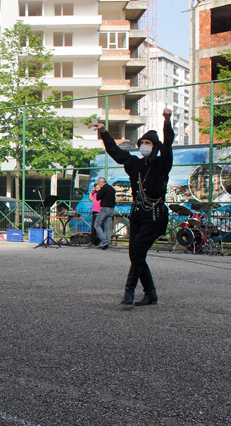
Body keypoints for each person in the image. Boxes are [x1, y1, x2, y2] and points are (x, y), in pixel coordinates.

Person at [89, 108, 173, 306]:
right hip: (137, 215)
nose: (144, 146)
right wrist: (104, 132)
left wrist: (167, 122)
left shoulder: (162, 164)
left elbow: (168, 144)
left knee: (138, 251)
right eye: (142, 142)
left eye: (148, 143)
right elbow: (117, 153)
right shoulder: (135, 164)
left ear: (155, 147)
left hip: (155, 216)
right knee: (135, 253)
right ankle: (151, 293)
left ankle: (129, 291)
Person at [94, 177, 116, 250]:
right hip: (111, 208)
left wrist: (99, 190)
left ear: (101, 182)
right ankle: (108, 244)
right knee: (107, 227)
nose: (98, 184)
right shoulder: (112, 189)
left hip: (104, 208)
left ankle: (103, 241)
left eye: (98, 183)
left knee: (97, 225)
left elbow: (98, 197)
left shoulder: (103, 189)